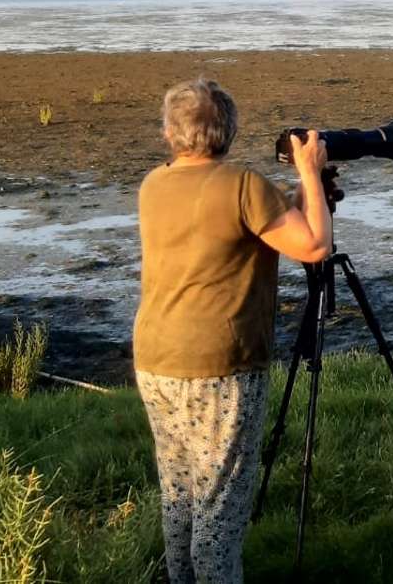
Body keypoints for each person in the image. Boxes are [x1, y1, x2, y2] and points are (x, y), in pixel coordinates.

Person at [134, 78, 333, 584]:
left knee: (179, 492)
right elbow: (312, 247)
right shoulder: (243, 186)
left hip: (156, 359)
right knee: (218, 508)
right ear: (229, 129)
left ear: (169, 132)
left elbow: (227, 228)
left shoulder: (154, 184)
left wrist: (295, 195)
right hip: (218, 369)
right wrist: (310, 173)